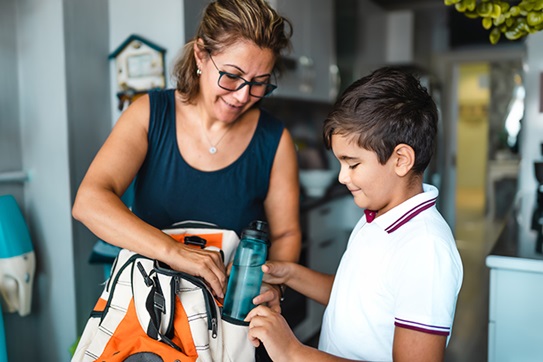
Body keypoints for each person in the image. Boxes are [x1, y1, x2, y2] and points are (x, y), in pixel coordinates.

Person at [72, 0, 301, 308]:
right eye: (232, 76)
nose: (243, 96)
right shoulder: (148, 114)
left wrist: (275, 287)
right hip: (149, 312)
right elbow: (89, 203)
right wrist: (175, 252)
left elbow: (286, 234)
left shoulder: (275, 140)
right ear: (200, 54)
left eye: (259, 83)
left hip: (231, 317)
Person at [246, 67, 464, 361]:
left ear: (400, 160)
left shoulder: (424, 249)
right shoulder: (379, 215)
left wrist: (293, 351)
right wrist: (292, 274)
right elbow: (359, 297)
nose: (341, 177)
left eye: (352, 164)